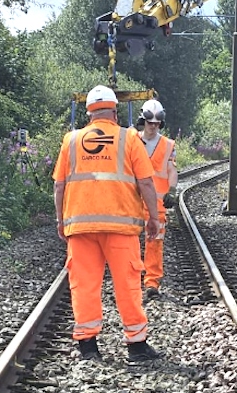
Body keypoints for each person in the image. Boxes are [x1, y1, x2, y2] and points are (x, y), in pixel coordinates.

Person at [53, 85, 162, 362]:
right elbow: (146, 182)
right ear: (114, 110)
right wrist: (152, 217)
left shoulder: (72, 140)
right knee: (127, 284)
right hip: (121, 226)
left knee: (85, 285)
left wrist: (60, 220)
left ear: (89, 112)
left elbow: (59, 185)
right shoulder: (129, 138)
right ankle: (136, 345)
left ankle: (88, 346)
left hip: (80, 227)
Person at [136, 99, 178, 300]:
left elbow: (171, 169)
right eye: (149, 122)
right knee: (130, 243)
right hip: (132, 202)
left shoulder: (168, 145)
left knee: (154, 242)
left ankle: (151, 282)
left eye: (156, 123)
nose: (152, 127)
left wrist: (173, 190)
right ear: (142, 121)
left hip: (157, 205)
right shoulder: (131, 140)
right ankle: (133, 280)